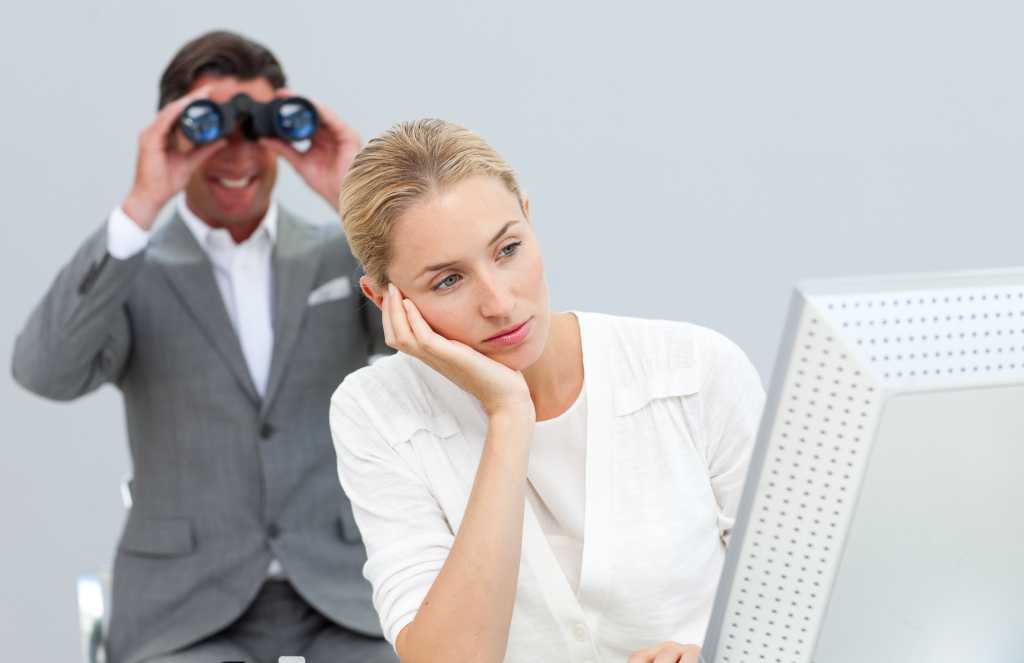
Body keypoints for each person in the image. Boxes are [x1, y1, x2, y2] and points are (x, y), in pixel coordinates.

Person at [12, 31, 396, 663]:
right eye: (209, 126)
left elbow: (439, 343)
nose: (236, 151)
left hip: (345, 598)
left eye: (256, 126)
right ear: (169, 131)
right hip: (184, 613)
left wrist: (357, 200)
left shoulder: (339, 253)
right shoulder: (132, 271)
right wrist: (141, 205)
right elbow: (44, 371)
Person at [328, 119, 767, 663]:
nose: (499, 302)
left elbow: (801, 612)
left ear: (529, 219)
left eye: (508, 249)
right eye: (448, 280)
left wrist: (712, 656)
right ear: (384, 299)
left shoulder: (693, 370)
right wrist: (509, 413)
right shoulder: (376, 410)